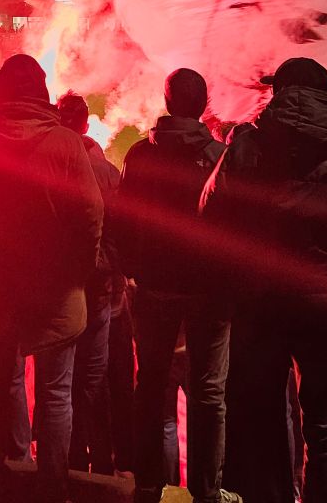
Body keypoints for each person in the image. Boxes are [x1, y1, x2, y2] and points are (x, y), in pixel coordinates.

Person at [204, 57, 327, 503]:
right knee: (324, 430)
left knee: (264, 422)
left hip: (263, 303)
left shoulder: (249, 146)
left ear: (281, 93)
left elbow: (211, 214)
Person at [0, 55, 103, 503]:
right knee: (56, 392)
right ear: (41, 92)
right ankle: (52, 485)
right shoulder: (65, 144)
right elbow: (90, 216)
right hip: (56, 288)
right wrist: (79, 269)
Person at [115, 68, 239, 503]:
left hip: (153, 287)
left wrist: (131, 270)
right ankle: (206, 492)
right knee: (208, 393)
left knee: (150, 384)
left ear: (167, 102)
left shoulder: (138, 156)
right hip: (207, 292)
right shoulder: (219, 155)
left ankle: (149, 486)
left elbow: (123, 220)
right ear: (202, 105)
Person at [57, 90, 120, 476]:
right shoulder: (108, 171)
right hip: (98, 286)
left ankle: (63, 460)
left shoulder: (47, 162)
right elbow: (122, 229)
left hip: (59, 282)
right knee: (92, 380)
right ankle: (97, 463)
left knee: (57, 380)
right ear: (85, 123)